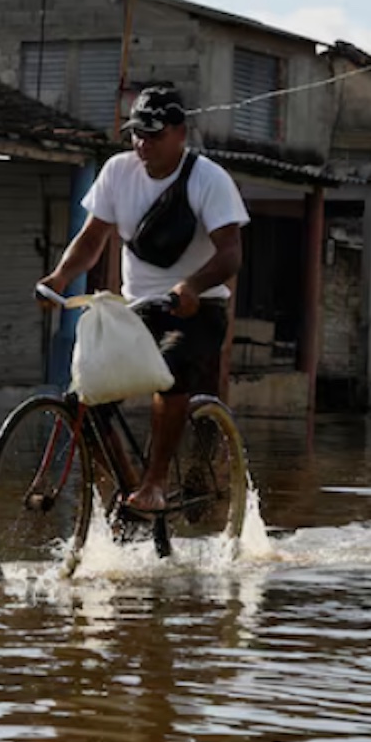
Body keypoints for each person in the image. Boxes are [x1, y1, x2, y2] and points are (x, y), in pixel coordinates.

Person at [38, 86, 249, 514]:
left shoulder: (209, 179)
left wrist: (191, 286)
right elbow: (93, 238)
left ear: (179, 133)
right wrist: (60, 277)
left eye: (153, 135)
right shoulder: (118, 171)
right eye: (136, 134)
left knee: (169, 375)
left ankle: (155, 482)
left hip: (198, 308)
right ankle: (129, 486)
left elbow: (230, 253)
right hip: (138, 310)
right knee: (84, 398)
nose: (142, 144)